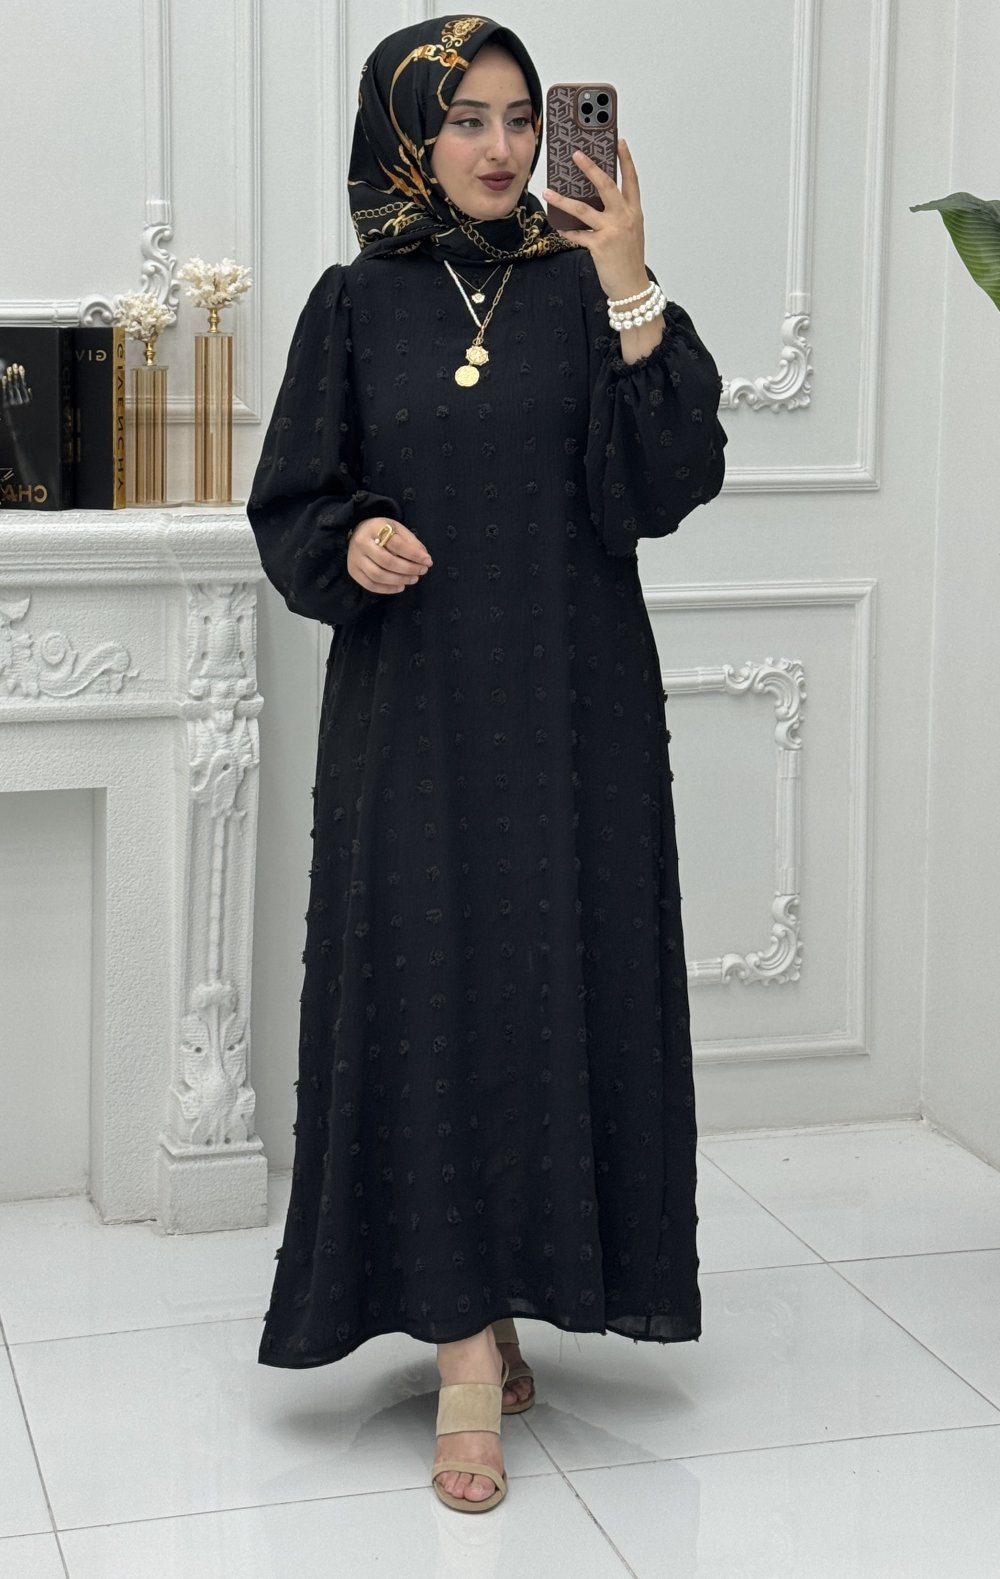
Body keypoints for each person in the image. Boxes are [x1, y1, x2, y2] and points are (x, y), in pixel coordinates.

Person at [246, 13, 727, 1516]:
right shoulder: (353, 303)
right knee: (429, 998)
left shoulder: (589, 290)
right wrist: (351, 542)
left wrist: (631, 276)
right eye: (466, 119)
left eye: (523, 116)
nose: (503, 147)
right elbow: (292, 502)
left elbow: (668, 480)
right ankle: (461, 1348)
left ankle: (502, 1291)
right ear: (410, 131)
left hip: (577, 713)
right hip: (415, 712)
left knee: (545, 991)